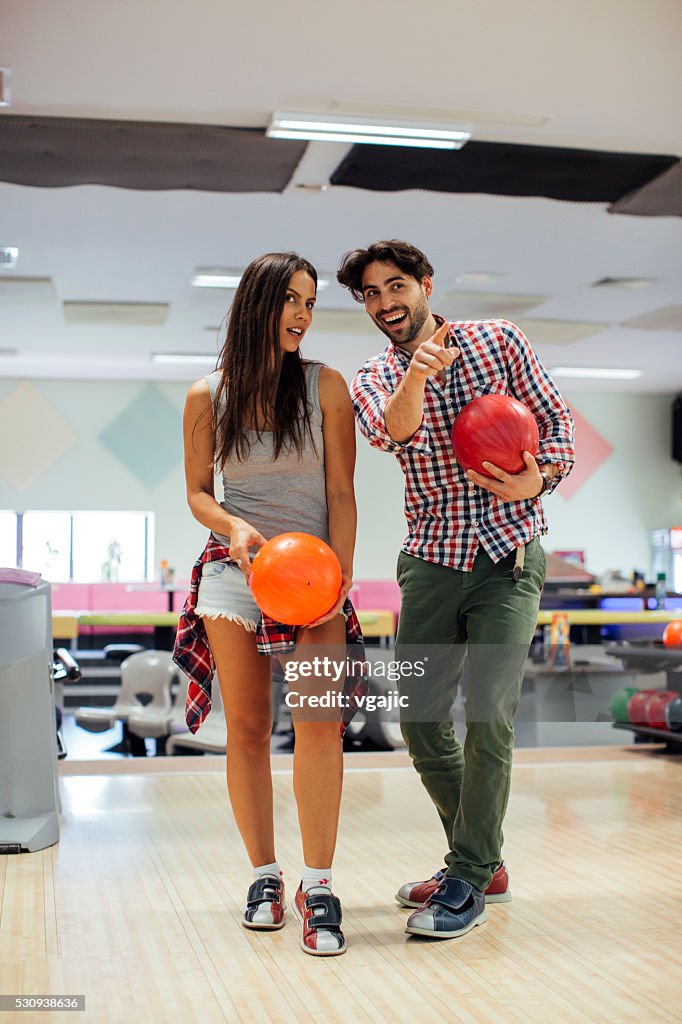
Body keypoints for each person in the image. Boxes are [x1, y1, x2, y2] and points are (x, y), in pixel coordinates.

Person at [337, 240, 575, 941]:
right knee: (418, 717)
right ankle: (484, 862)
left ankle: (468, 874)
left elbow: (555, 425)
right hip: (432, 561)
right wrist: (416, 374)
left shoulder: (501, 340)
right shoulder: (374, 374)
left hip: (509, 557)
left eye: (396, 286)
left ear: (427, 285)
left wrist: (540, 479)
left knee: (490, 717)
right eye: (372, 295)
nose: (386, 303)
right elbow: (391, 431)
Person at [174, 251, 361, 956]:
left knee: (319, 726)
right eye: (290, 299)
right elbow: (197, 492)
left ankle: (320, 885)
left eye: (310, 302)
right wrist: (235, 527)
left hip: (316, 577)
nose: (303, 314)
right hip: (236, 574)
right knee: (248, 731)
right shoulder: (206, 395)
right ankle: (263, 877)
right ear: (257, 303)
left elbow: (341, 491)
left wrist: (340, 575)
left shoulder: (326, 387)